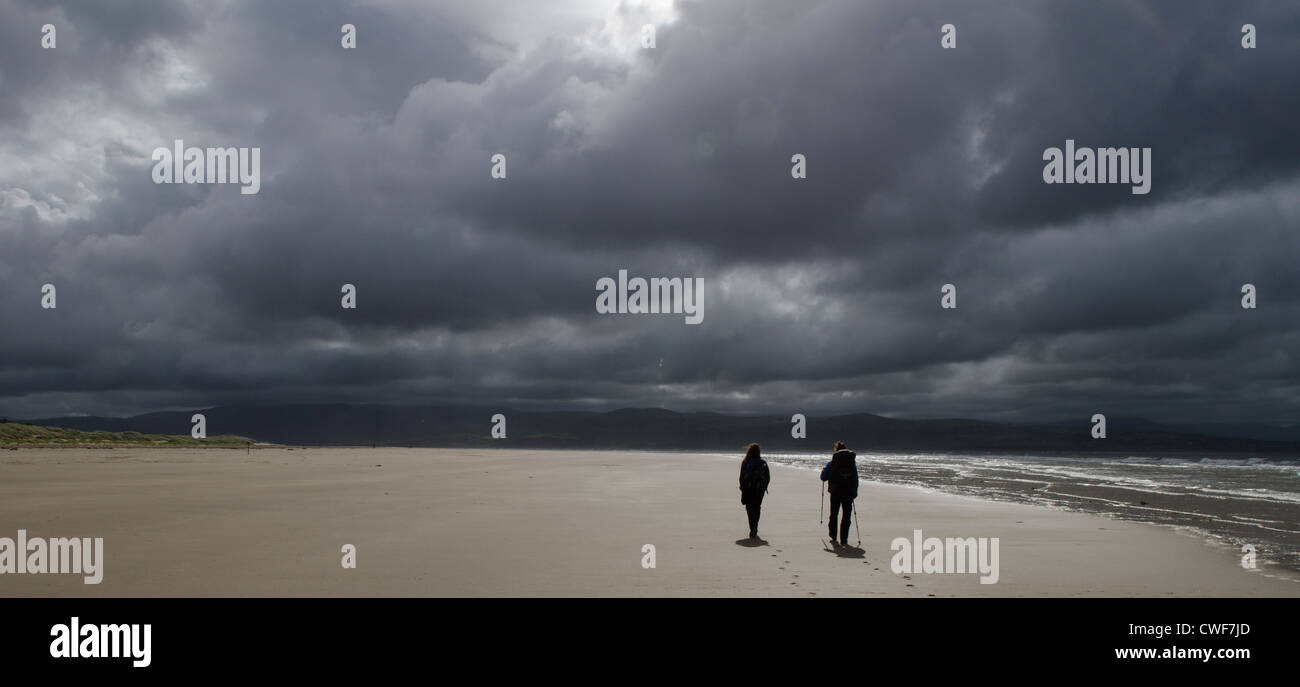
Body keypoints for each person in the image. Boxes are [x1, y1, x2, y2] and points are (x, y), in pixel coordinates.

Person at [820, 441, 858, 547]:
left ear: (836, 451)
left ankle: (833, 536)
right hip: (848, 493)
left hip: (835, 492)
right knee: (846, 516)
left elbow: (823, 478)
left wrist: (823, 472)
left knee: (834, 514)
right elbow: (855, 479)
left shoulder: (833, 463)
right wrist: (854, 492)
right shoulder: (852, 464)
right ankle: (844, 539)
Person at [738, 443, 771, 539]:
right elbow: (768, 477)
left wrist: (742, 487)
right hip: (759, 490)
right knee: (757, 507)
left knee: (749, 508)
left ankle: (752, 527)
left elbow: (741, 477)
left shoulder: (746, 462)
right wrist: (764, 487)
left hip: (748, 489)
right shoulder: (763, 463)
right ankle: (755, 527)